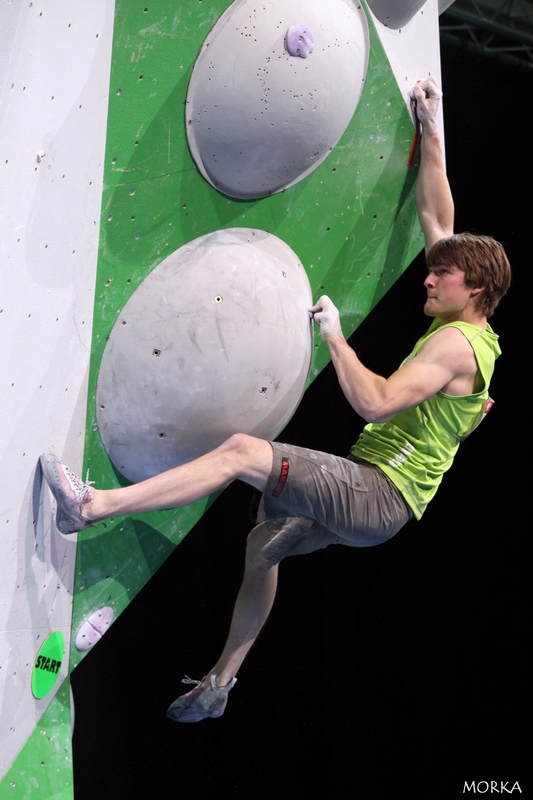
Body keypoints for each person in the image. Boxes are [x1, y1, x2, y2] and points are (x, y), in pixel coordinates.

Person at [40, 78, 510, 723]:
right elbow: (438, 218)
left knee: (240, 453)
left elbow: (374, 403)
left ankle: (93, 507)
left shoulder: (455, 346)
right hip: (387, 514)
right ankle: (220, 684)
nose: (428, 276)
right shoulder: (472, 331)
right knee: (264, 546)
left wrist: (336, 337)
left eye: (442, 275)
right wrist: (432, 130)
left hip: (376, 493)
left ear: (476, 287)